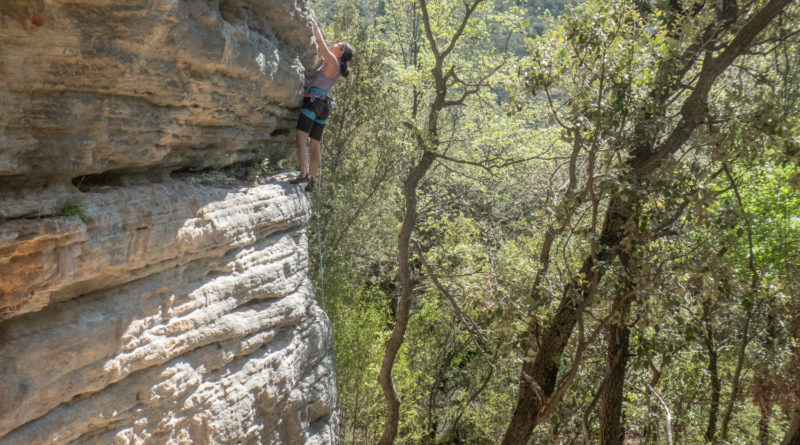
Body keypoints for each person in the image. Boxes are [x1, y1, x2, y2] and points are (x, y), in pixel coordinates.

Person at [291, 18, 353, 192]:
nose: (335, 44)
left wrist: (313, 22)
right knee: (315, 145)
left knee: (301, 140)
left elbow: (321, 43)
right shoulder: (337, 67)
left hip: (313, 103)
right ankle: (312, 179)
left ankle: (303, 174)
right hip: (324, 107)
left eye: (338, 44)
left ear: (341, 51)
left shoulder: (333, 60)